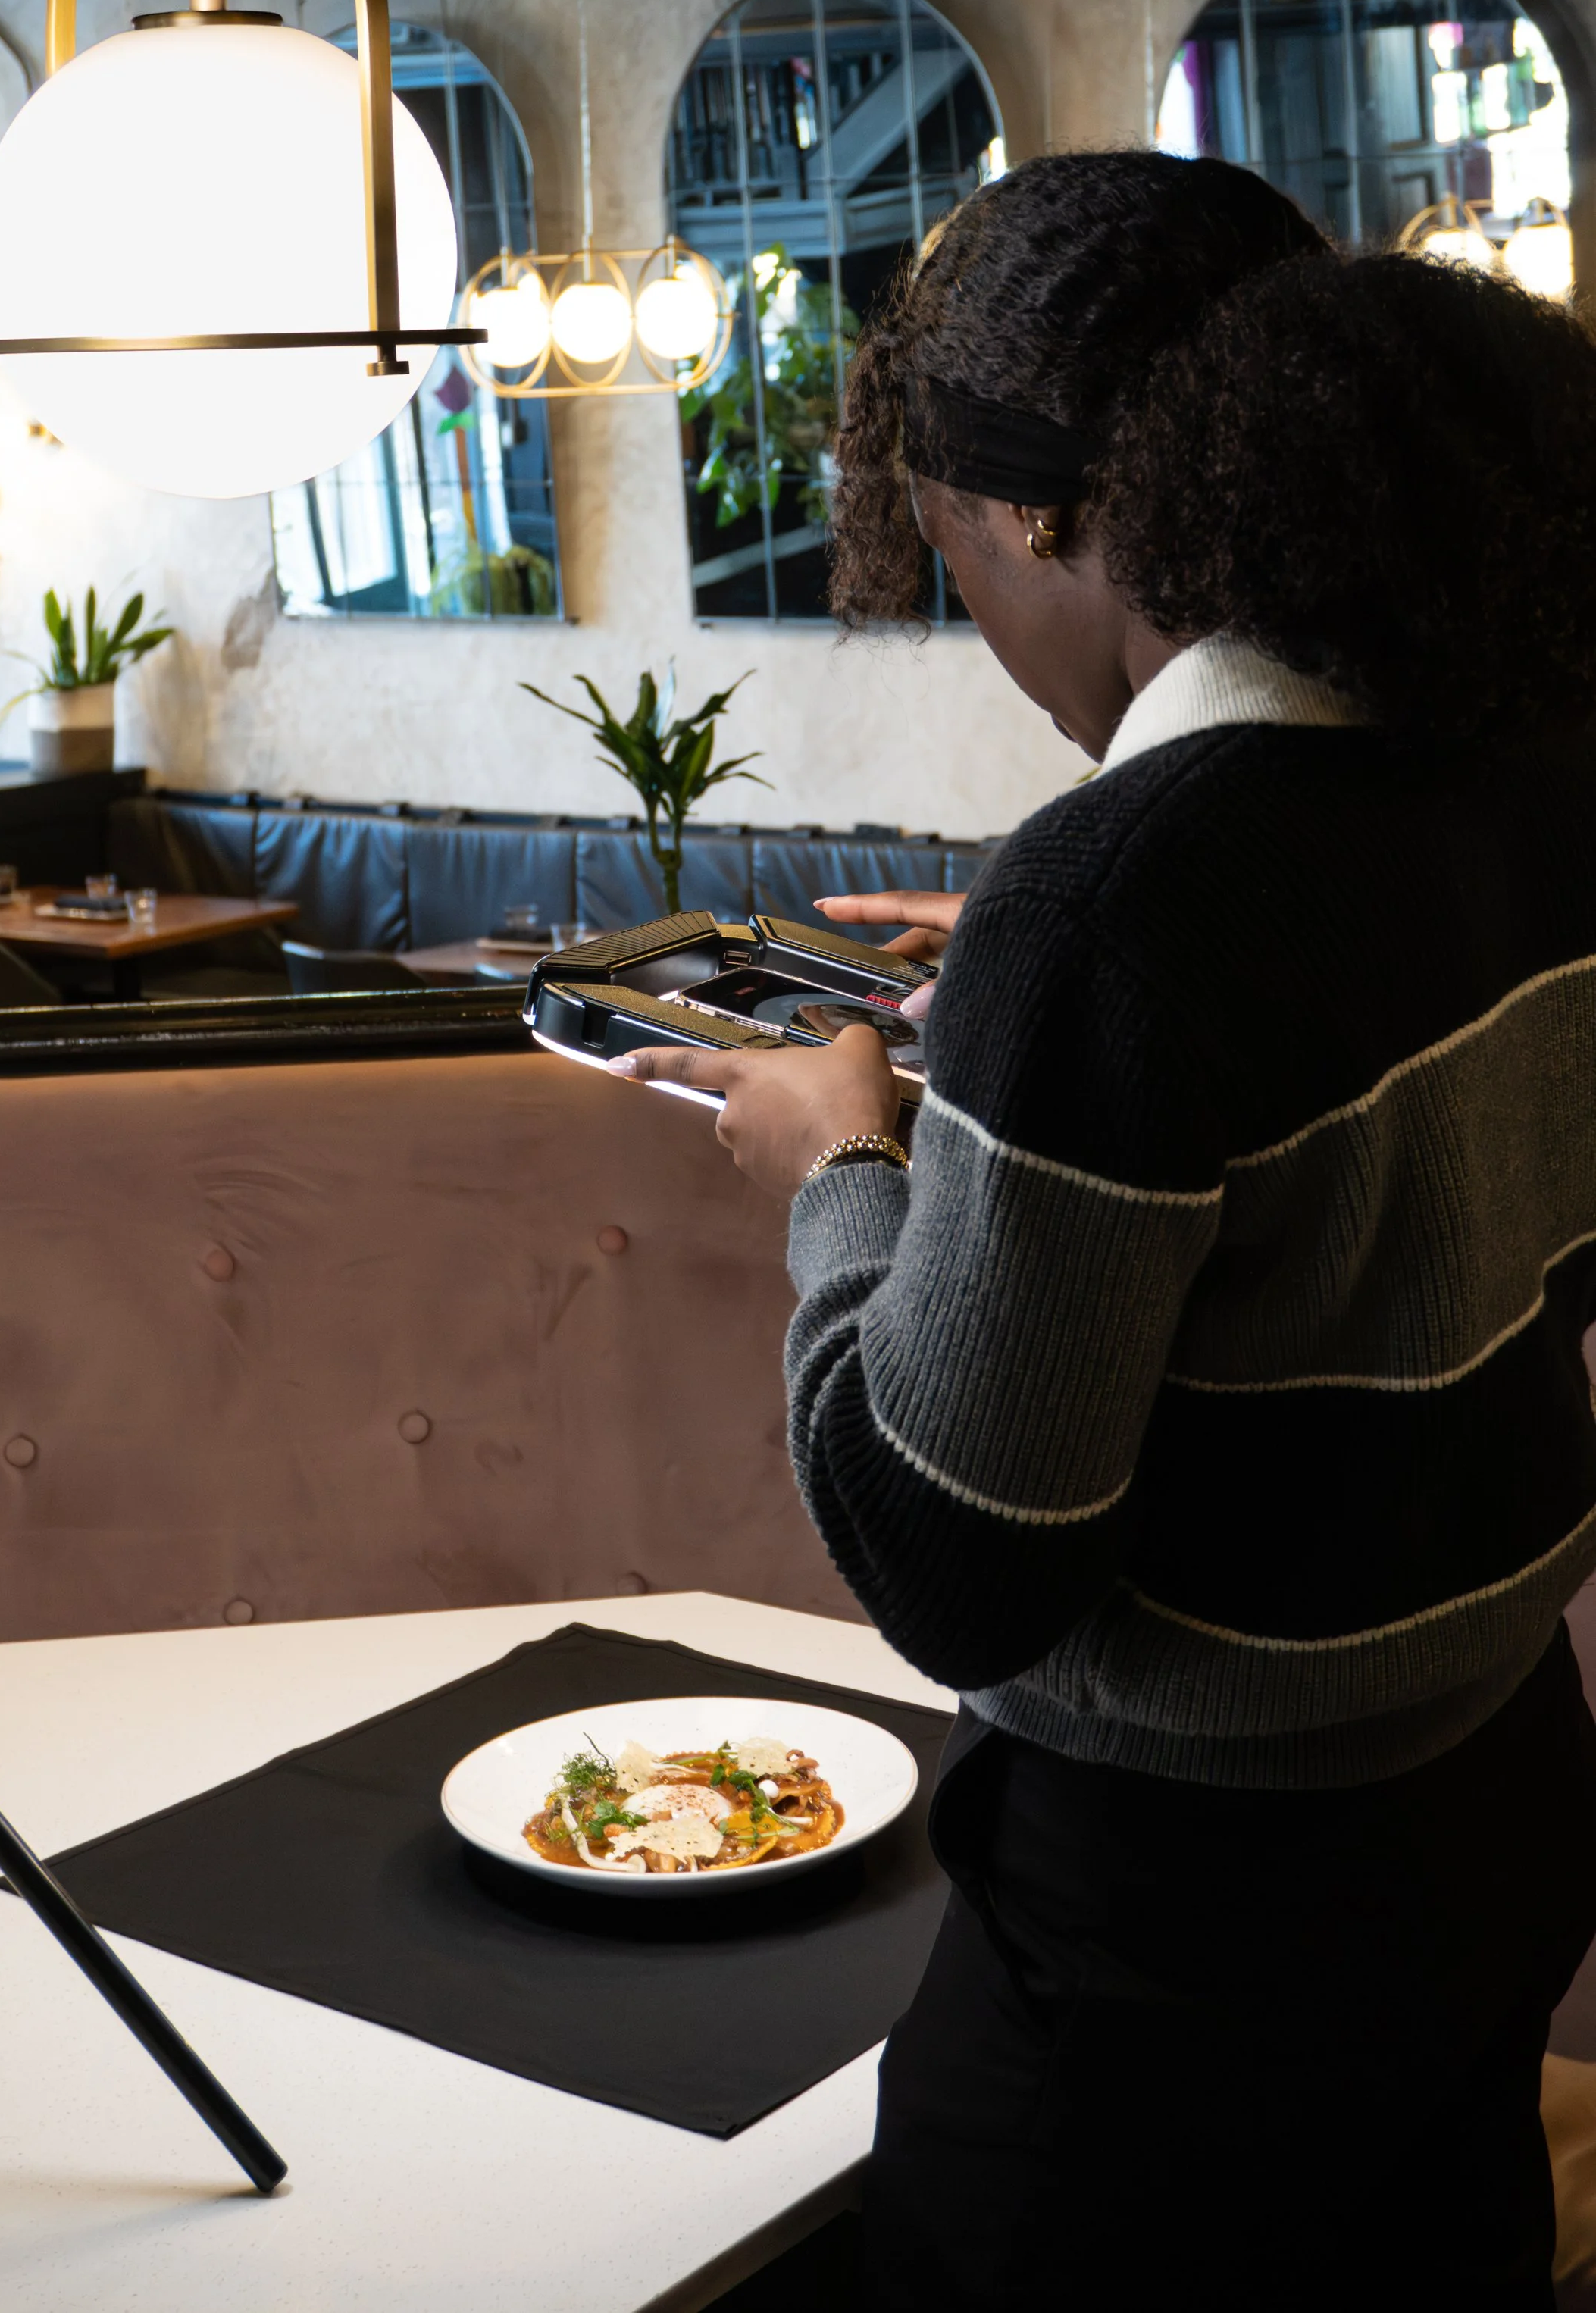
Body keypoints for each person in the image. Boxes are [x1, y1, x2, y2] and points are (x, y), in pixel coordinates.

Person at [609, 149, 1596, 2308]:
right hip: (1498, 1803)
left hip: (1183, 1939)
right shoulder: (1527, 759)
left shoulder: (1117, 896)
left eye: (953, 552)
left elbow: (953, 1558)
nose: (981, 625)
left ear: (1039, 512)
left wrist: (839, 1164)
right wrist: (1042, 1032)